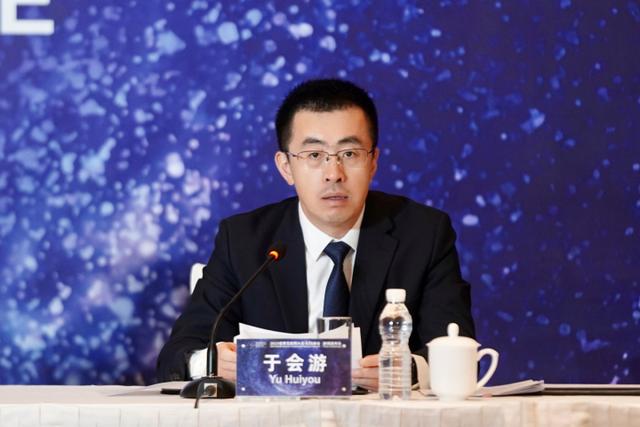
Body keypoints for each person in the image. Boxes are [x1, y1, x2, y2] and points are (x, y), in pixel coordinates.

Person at [156, 78, 475, 390]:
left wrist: (410, 370)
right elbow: (176, 355)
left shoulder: (424, 234)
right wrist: (213, 362)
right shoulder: (243, 241)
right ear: (285, 166)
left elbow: (455, 346)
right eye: (314, 155)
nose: (333, 174)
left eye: (349, 153)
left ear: (373, 162)